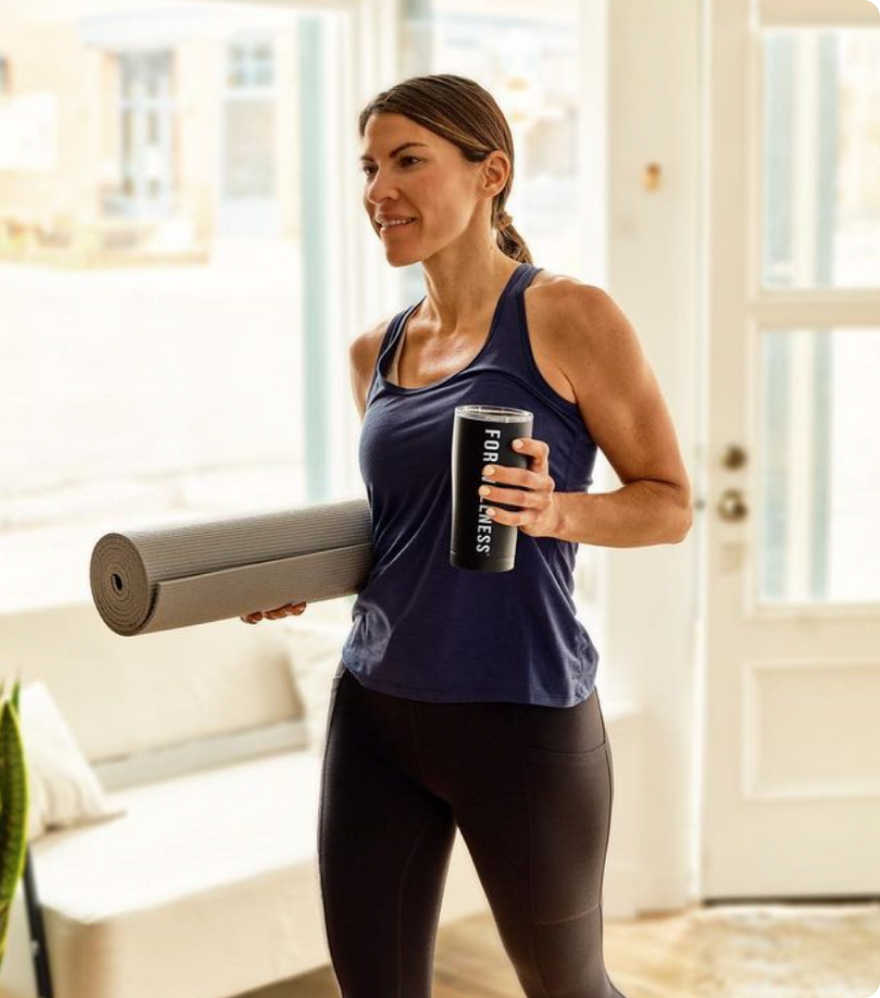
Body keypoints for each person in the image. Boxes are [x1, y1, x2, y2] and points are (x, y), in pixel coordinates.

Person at [242, 73, 692, 998]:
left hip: (522, 716)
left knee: (568, 988)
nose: (379, 190)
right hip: (375, 707)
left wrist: (557, 510)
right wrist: (296, 571)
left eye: (409, 160)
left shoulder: (568, 317)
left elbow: (669, 502)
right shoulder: (376, 349)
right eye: (370, 167)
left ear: (492, 174)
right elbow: (403, 526)